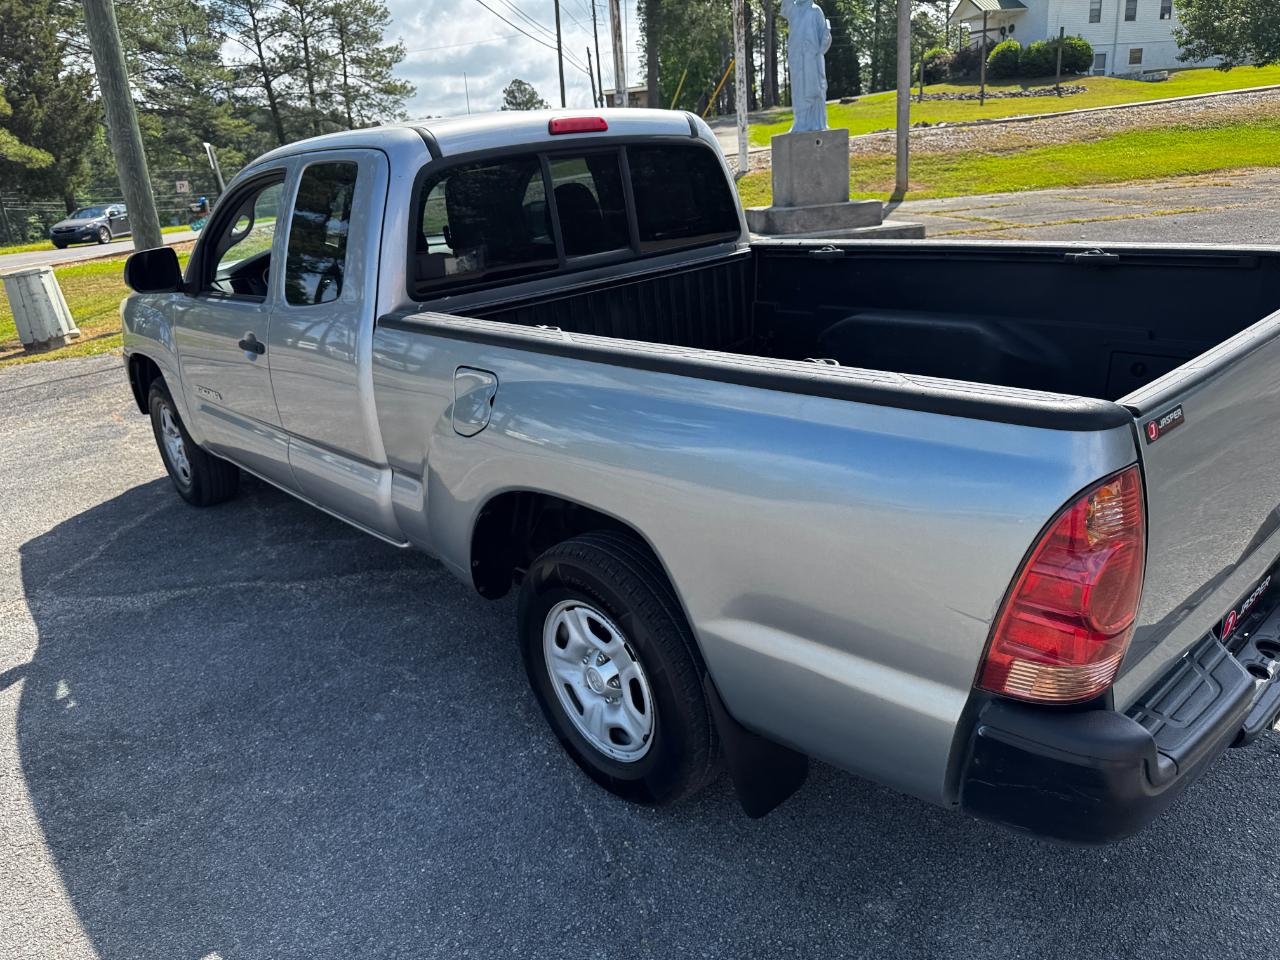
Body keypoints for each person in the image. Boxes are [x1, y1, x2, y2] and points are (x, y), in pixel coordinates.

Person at [782, 0, 832, 132]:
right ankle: (800, 122)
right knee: (799, 92)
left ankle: (816, 122)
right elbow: (785, 6)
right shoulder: (793, 9)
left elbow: (824, 35)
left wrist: (824, 41)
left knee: (814, 90)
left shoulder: (815, 10)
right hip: (796, 58)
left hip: (811, 58)